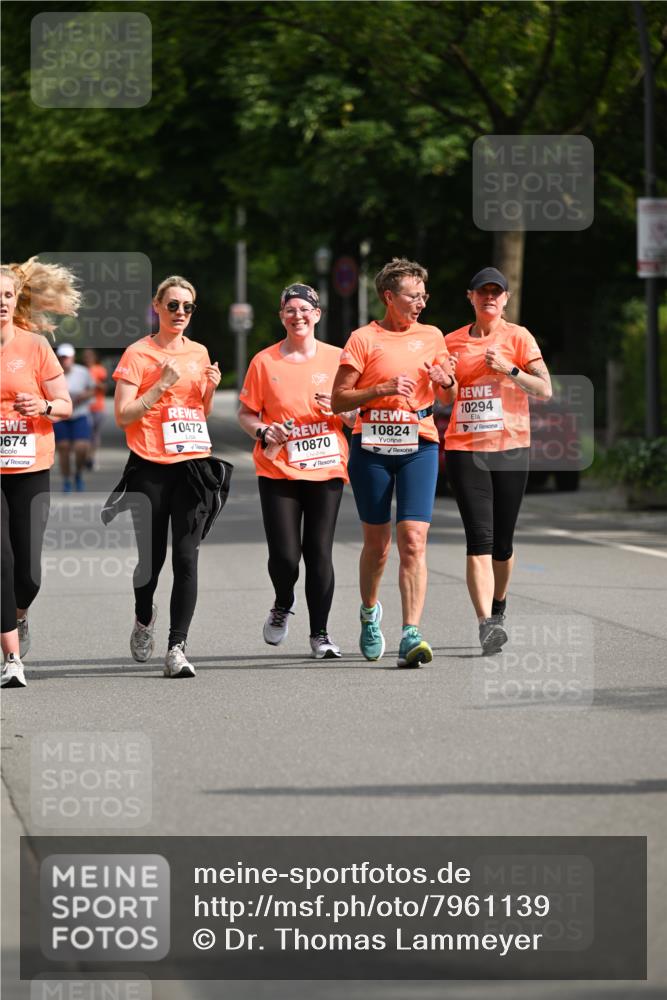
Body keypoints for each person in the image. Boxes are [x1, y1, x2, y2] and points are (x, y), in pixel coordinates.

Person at [331, 258, 457, 668]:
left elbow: (448, 399)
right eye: (412, 296)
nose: (420, 303)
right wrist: (382, 387)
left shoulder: (433, 335)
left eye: (424, 295)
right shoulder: (363, 339)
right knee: (378, 545)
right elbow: (339, 399)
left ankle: (411, 633)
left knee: (414, 541)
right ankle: (369, 613)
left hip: (419, 443)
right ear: (389, 297)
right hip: (371, 448)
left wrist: (445, 380)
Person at [111, 275, 222, 678]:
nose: (180, 313)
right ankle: (144, 618)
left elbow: (200, 412)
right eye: (172, 305)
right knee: (151, 561)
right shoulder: (137, 354)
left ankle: (177, 647)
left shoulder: (199, 352)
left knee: (187, 557)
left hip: (192, 464)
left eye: (187, 307)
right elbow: (123, 415)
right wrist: (161, 385)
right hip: (149, 466)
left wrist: (209, 389)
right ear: (156, 307)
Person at [238, 283, 356, 659]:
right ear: (281, 317)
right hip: (278, 467)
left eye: (305, 309)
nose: (298, 315)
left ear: (317, 314)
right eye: (290, 310)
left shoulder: (340, 359)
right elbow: (246, 413)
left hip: (326, 466)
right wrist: (263, 430)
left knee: (319, 552)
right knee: (286, 556)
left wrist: (339, 409)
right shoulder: (264, 361)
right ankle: (282, 601)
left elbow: (356, 414)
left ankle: (320, 634)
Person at [444, 266, 552, 654]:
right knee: (480, 540)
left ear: (505, 299)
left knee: (502, 544)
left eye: (496, 292)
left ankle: (499, 605)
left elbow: (545, 388)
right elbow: (445, 398)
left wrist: (510, 369)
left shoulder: (518, 337)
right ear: (470, 297)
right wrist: (444, 380)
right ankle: (486, 624)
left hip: (510, 448)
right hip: (465, 448)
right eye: (482, 291)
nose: (489, 297)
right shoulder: (451, 342)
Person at [1, 258, 76, 688]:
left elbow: (64, 404)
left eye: (7, 296)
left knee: (28, 573)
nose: (1, 303)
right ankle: (11, 659)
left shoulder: (35, 347)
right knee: (1, 561)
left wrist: (43, 406)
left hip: (30, 465)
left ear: (16, 301)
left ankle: (19, 612)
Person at [54, 344, 95, 492]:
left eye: (67, 357)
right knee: (63, 448)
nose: (65, 360)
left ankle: (78, 473)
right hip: (60, 416)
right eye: (62, 358)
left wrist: (84, 396)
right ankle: (66, 479)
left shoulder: (83, 372)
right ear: (58, 358)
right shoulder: (53, 372)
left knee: (81, 447)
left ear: (72, 358)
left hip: (79, 414)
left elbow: (92, 389)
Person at [83, 347, 108, 470]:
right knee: (86, 434)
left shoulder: (100, 370)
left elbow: (105, 387)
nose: (87, 358)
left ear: (94, 357)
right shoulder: (81, 371)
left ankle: (92, 458)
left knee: (95, 435)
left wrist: (94, 383)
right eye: (85, 356)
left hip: (98, 407)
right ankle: (86, 458)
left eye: (89, 356)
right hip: (84, 409)